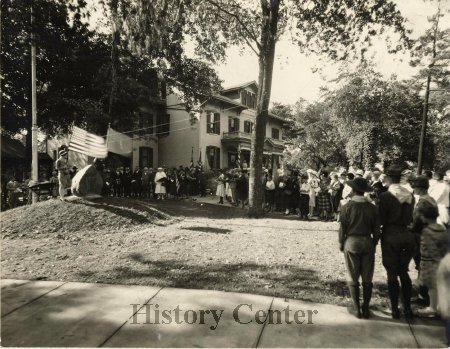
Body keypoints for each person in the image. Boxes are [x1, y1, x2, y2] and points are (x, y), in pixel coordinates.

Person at [379, 164, 416, 319]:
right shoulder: (410, 195)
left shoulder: (386, 196)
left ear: (388, 178)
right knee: (404, 271)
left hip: (390, 234)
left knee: (392, 273)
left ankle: (395, 308)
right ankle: (407, 307)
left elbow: (381, 218)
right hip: (406, 234)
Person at [339, 177, 380, 319]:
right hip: (367, 241)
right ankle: (366, 308)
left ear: (354, 190)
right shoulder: (373, 208)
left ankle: (357, 309)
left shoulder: (347, 207)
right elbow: (376, 229)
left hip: (351, 241)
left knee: (352, 274)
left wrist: (340, 243)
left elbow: (342, 228)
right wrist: (374, 242)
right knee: (367, 277)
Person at [414, 203, 449, 318]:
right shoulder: (442, 228)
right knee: (439, 285)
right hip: (443, 260)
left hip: (430, 262)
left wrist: (437, 261)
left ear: (424, 217)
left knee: (431, 287)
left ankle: (433, 308)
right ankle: (439, 306)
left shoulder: (427, 231)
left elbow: (431, 248)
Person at [410, 175, 438, 306]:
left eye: (415, 187)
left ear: (420, 189)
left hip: (421, 236)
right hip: (431, 234)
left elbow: (416, 223)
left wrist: (407, 227)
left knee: (422, 264)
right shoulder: (431, 200)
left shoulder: (422, 203)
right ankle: (424, 294)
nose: (413, 189)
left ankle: (424, 296)